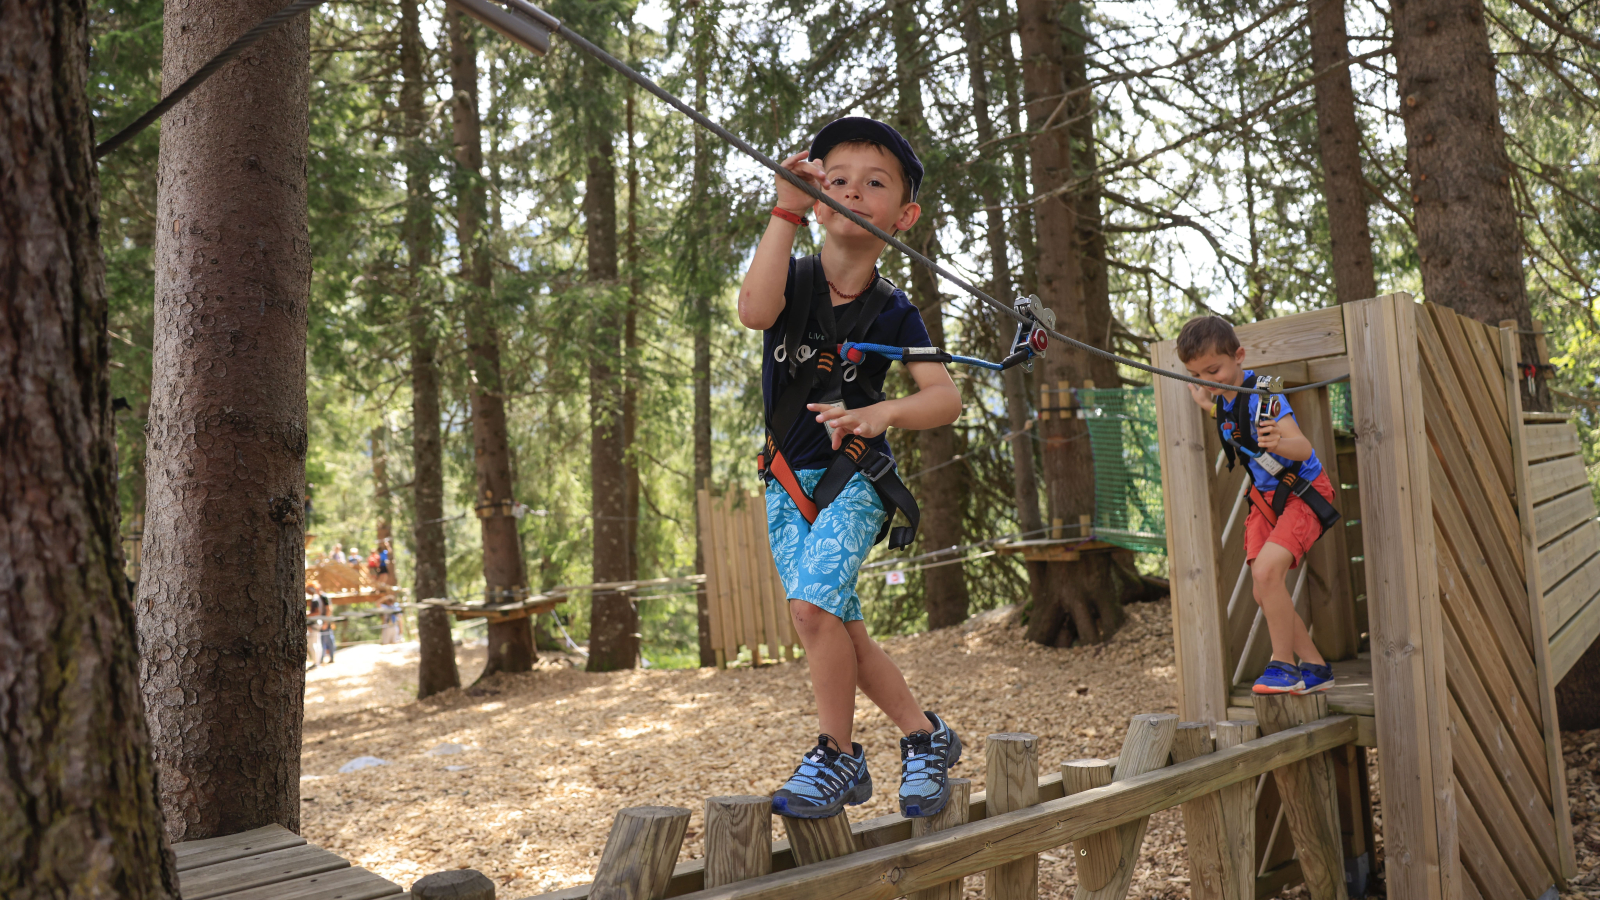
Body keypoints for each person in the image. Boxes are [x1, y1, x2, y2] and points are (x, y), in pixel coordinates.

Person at [737, 117, 964, 820]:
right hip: (785, 483)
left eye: (875, 183)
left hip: (855, 482)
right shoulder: (794, 278)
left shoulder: (896, 311)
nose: (854, 193)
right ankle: (926, 739)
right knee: (838, 628)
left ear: (905, 214)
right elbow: (754, 309)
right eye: (837, 180)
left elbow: (943, 399)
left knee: (810, 610)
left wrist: (882, 414)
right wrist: (785, 207)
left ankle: (837, 755)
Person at [1178, 315, 1340, 695]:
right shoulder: (1223, 397)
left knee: (1268, 574)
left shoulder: (1266, 396)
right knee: (1262, 587)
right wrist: (1205, 401)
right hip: (1266, 501)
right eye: (1196, 374)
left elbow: (1302, 447)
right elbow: (1225, 414)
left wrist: (1277, 443)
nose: (1207, 380)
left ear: (1239, 356)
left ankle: (1283, 665)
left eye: (1213, 370)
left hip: (1302, 492)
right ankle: (1315, 667)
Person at [307, 582, 336, 666]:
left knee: (328, 638)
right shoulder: (318, 597)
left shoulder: (323, 597)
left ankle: (331, 657)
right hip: (321, 620)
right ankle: (321, 659)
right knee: (322, 640)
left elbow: (329, 609)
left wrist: (326, 622)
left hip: (324, 620)